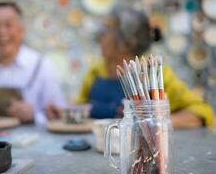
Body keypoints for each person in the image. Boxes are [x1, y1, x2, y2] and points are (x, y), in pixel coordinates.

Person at [76, 7, 214, 128]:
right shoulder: (95, 72)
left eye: (106, 31)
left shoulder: (155, 74)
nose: (99, 36)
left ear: (127, 44)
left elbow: (202, 112)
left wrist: (156, 123)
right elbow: (80, 107)